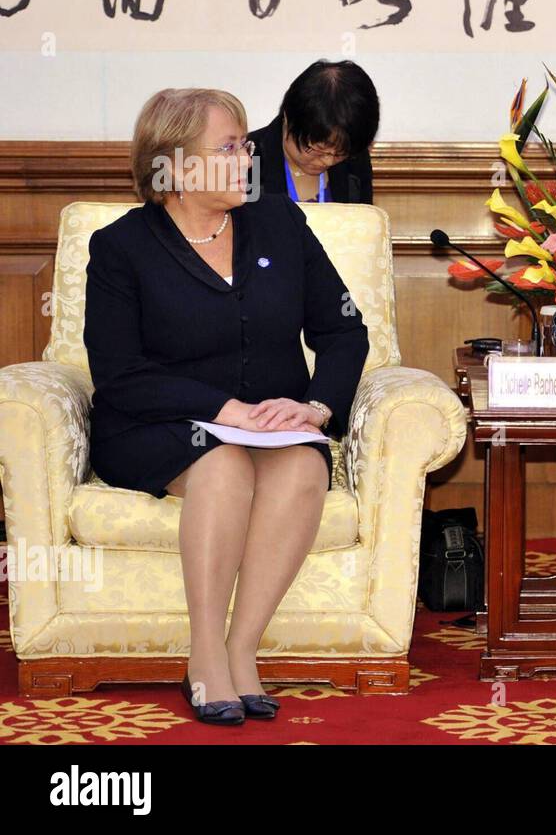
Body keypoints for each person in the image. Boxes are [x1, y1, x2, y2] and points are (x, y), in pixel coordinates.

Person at [85, 88, 370, 725]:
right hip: (159, 427)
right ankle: (205, 655)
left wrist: (318, 407)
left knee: (302, 468)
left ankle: (244, 651)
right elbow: (119, 375)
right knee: (223, 465)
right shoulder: (120, 249)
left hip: (273, 428)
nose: (250, 158)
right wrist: (224, 409)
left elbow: (344, 330)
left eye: (246, 144)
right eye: (231, 148)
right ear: (178, 168)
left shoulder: (280, 223)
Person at [248, 59, 379, 204]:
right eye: (317, 150)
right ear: (288, 117)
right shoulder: (247, 160)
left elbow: (364, 221)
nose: (328, 161)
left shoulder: (354, 159)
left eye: (340, 154)